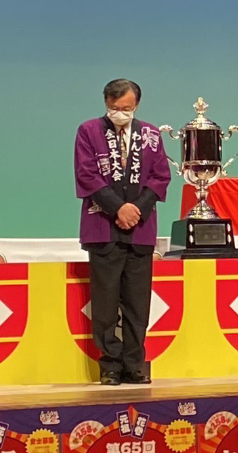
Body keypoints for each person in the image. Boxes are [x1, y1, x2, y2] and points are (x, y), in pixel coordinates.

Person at [74, 79, 171, 385]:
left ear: (136, 105)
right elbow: (86, 175)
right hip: (103, 228)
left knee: (136, 303)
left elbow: (160, 177)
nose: (120, 113)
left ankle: (134, 364)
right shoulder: (89, 131)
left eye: (126, 108)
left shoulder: (151, 134)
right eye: (114, 107)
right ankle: (111, 365)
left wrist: (135, 209)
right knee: (105, 303)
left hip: (140, 229)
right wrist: (118, 208)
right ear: (106, 103)